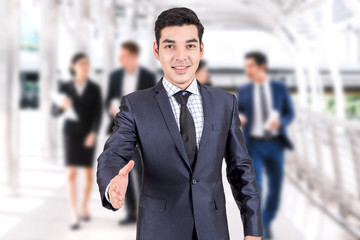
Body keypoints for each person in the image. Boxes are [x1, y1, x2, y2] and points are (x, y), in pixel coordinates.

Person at [97, 7, 262, 240]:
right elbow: (113, 153)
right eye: (170, 45)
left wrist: (253, 230)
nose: (180, 56)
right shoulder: (136, 105)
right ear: (157, 50)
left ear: (201, 49)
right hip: (158, 230)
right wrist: (111, 183)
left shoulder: (225, 103)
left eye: (190, 45)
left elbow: (240, 169)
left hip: (212, 230)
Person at [237, 51, 295, 239]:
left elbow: (289, 113)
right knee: (257, 187)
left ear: (262, 67)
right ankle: (259, 229)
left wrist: (281, 122)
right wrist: (240, 119)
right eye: (246, 67)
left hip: (276, 144)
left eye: (251, 66)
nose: (248, 71)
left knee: (276, 189)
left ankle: (265, 221)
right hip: (254, 145)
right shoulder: (244, 90)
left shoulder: (279, 88)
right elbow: (240, 113)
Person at [105, 41, 156, 225]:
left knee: (143, 173)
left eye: (124, 55)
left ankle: (146, 211)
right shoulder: (115, 76)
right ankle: (131, 211)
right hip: (122, 133)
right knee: (121, 173)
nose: (120, 59)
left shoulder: (148, 77)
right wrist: (113, 110)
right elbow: (107, 100)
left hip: (144, 134)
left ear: (134, 56)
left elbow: (154, 104)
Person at [52, 53, 102, 230]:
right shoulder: (65, 87)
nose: (85, 67)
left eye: (87, 64)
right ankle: (74, 213)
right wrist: (61, 107)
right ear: (74, 67)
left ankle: (84, 206)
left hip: (88, 135)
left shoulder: (94, 88)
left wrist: (94, 133)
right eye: (81, 64)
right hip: (70, 135)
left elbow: (97, 114)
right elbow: (54, 112)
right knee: (71, 174)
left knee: (88, 175)